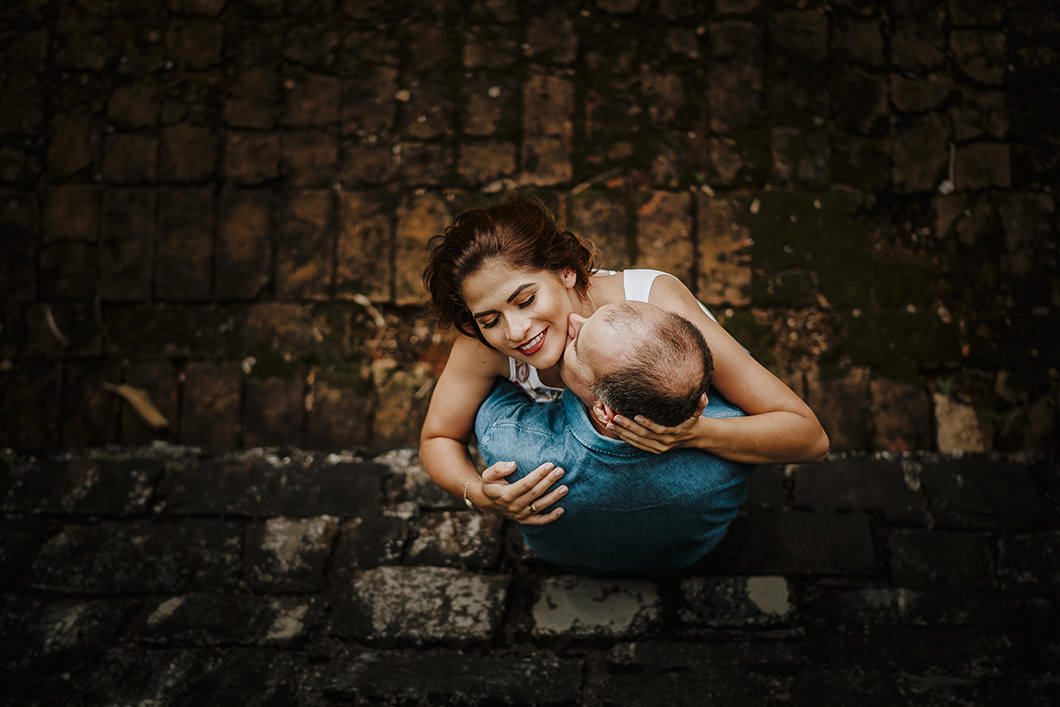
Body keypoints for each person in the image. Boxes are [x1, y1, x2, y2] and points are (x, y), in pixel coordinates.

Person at [420, 197, 828, 525]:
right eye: (489, 319)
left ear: (566, 272)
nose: (514, 331)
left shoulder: (654, 303)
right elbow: (437, 438)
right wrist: (476, 492)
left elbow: (808, 437)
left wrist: (695, 434)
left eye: (525, 300)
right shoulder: (483, 346)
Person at [474, 301, 751, 574]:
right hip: (688, 556)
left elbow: (488, 388)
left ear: (604, 410)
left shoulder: (509, 441)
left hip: (565, 560)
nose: (574, 321)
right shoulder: (739, 441)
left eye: (577, 346)